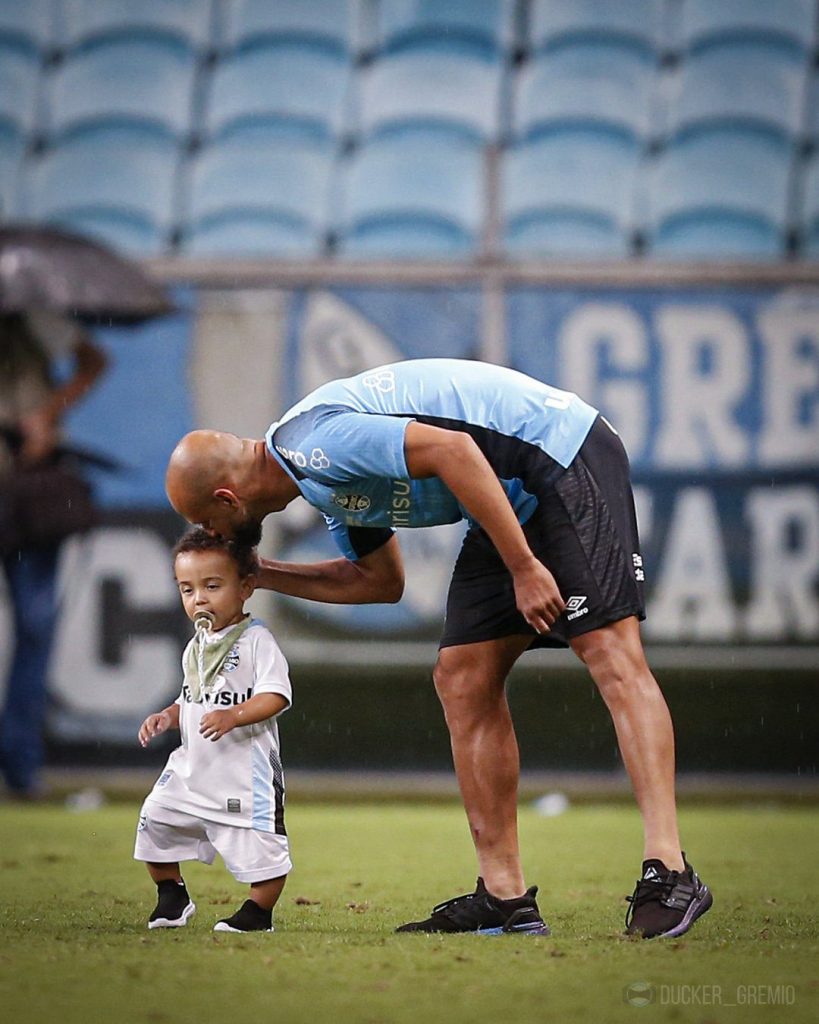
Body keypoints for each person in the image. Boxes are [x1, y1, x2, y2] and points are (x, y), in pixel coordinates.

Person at [164, 358, 713, 940]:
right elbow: (379, 582)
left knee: (610, 653)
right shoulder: (317, 480)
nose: (214, 538)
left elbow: (454, 452)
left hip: (560, 456)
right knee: (463, 676)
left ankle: (670, 871)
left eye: (208, 524)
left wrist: (525, 566)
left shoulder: (314, 444)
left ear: (227, 498)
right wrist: (261, 574)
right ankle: (504, 898)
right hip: (504, 496)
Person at [135, 528, 292, 933]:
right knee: (154, 821)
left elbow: (276, 696)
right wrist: (169, 715)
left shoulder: (258, 641)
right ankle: (172, 896)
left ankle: (258, 913)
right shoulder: (197, 644)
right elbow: (193, 696)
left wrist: (234, 715)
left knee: (264, 853)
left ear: (246, 587)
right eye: (187, 589)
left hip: (242, 774)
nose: (199, 598)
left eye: (212, 585)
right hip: (192, 770)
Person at [0, 311, 107, 799]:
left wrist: (48, 413)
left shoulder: (32, 315)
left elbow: (93, 359)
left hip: (26, 493)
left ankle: (21, 764)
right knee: (35, 626)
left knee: (36, 625)